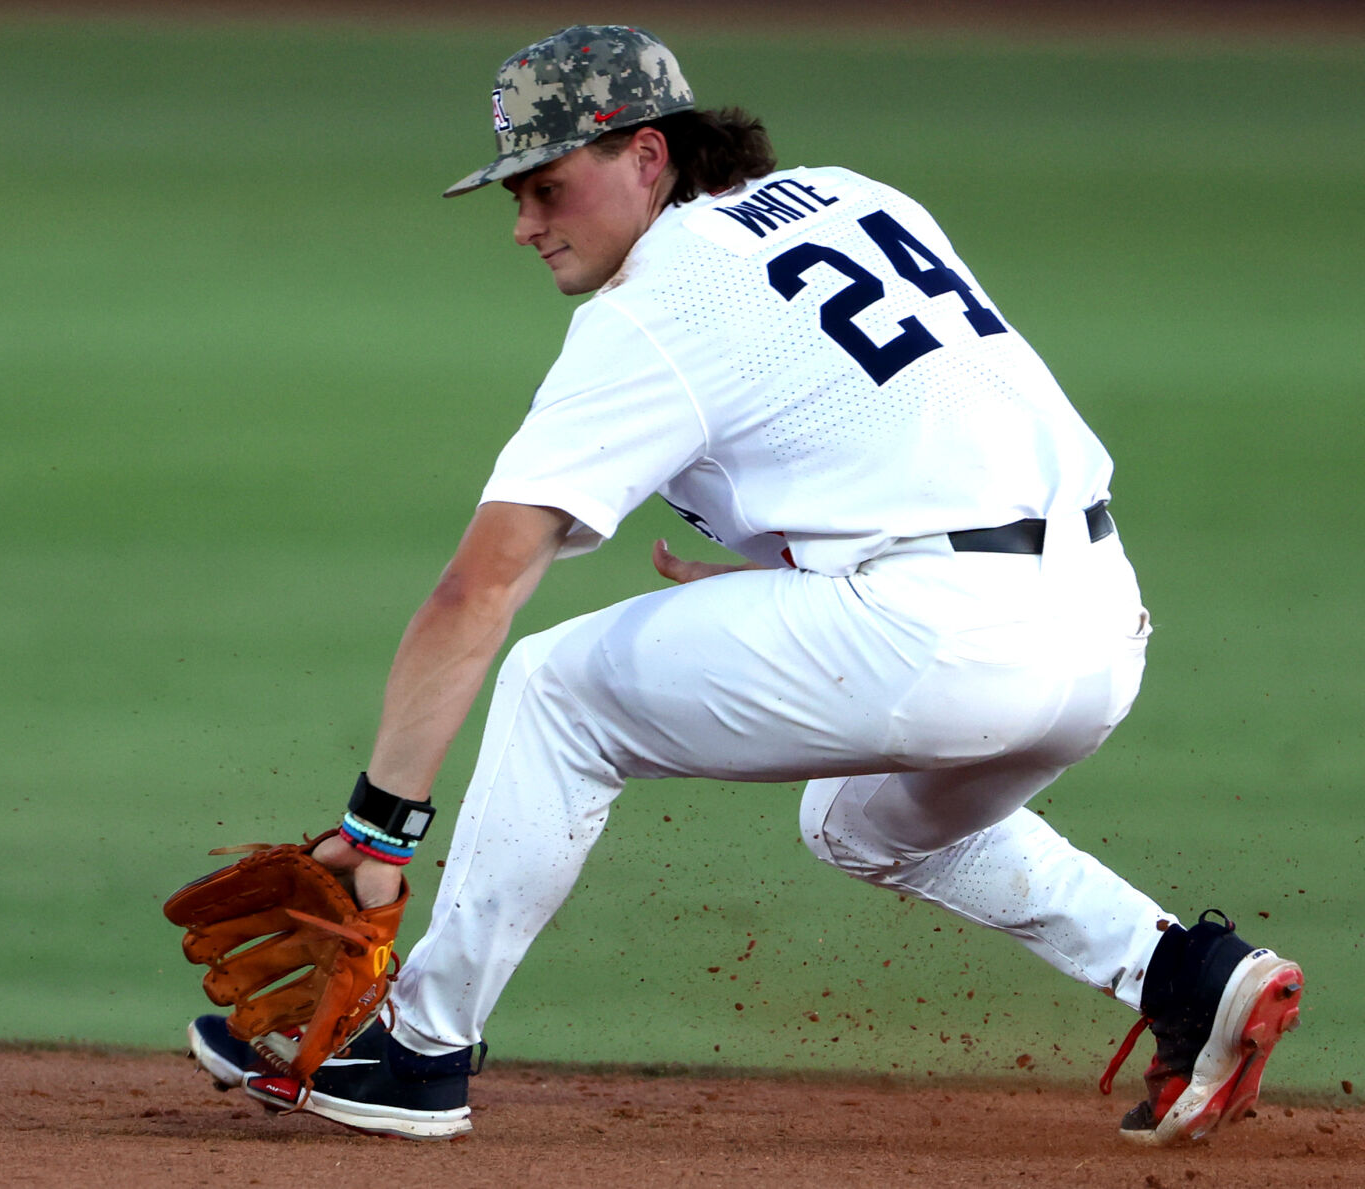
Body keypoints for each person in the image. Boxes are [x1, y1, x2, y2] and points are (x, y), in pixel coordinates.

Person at [186, 25, 1302, 1144]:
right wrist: (815, 558)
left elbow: (476, 587)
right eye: (514, 195)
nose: (526, 224)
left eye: (549, 184)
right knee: (861, 823)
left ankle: (417, 1049)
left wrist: (378, 832)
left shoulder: (654, 305)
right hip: (1100, 627)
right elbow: (928, 420)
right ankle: (1187, 975)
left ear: (647, 156)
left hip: (942, 638)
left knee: (557, 687)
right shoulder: (849, 195)